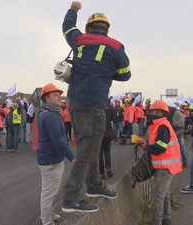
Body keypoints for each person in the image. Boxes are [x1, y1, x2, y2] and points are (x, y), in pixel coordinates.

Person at [62, 1, 130, 213]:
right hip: (95, 103)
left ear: (88, 28)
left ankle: (93, 185)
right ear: (107, 29)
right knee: (87, 152)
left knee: (87, 147)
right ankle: (71, 199)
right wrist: (107, 72)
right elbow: (126, 74)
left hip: (74, 101)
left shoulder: (79, 39)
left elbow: (67, 27)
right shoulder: (116, 46)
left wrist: (74, 9)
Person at [36, 83, 76, 225]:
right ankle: (46, 221)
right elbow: (58, 140)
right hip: (50, 161)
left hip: (53, 160)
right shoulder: (50, 116)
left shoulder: (52, 113)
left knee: (52, 191)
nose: (60, 96)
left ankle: (48, 214)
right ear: (47, 99)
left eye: (59, 94)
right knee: (48, 193)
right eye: (55, 95)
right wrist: (71, 157)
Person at [138, 100, 182, 225]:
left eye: (150, 112)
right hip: (166, 165)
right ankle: (166, 220)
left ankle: (156, 222)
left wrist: (146, 147)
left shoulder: (162, 126)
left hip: (165, 166)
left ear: (158, 113)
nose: (149, 114)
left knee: (157, 196)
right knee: (165, 194)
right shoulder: (161, 124)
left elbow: (160, 147)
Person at [99, 100, 114, 178]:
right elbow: (112, 118)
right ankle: (108, 167)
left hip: (99, 132)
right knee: (107, 150)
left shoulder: (97, 105)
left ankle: (101, 172)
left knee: (99, 153)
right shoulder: (110, 106)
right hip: (107, 131)